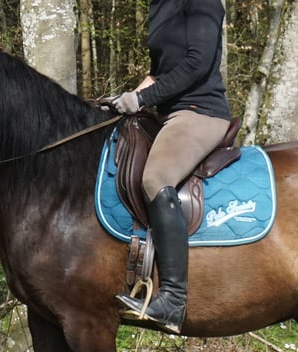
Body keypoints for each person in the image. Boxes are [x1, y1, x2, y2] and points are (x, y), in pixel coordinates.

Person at [112, 0, 231, 334]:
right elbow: (158, 72)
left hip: (199, 111)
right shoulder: (158, 6)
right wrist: (127, 97)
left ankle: (173, 301)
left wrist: (143, 100)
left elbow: (197, 62)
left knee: (157, 177)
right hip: (165, 113)